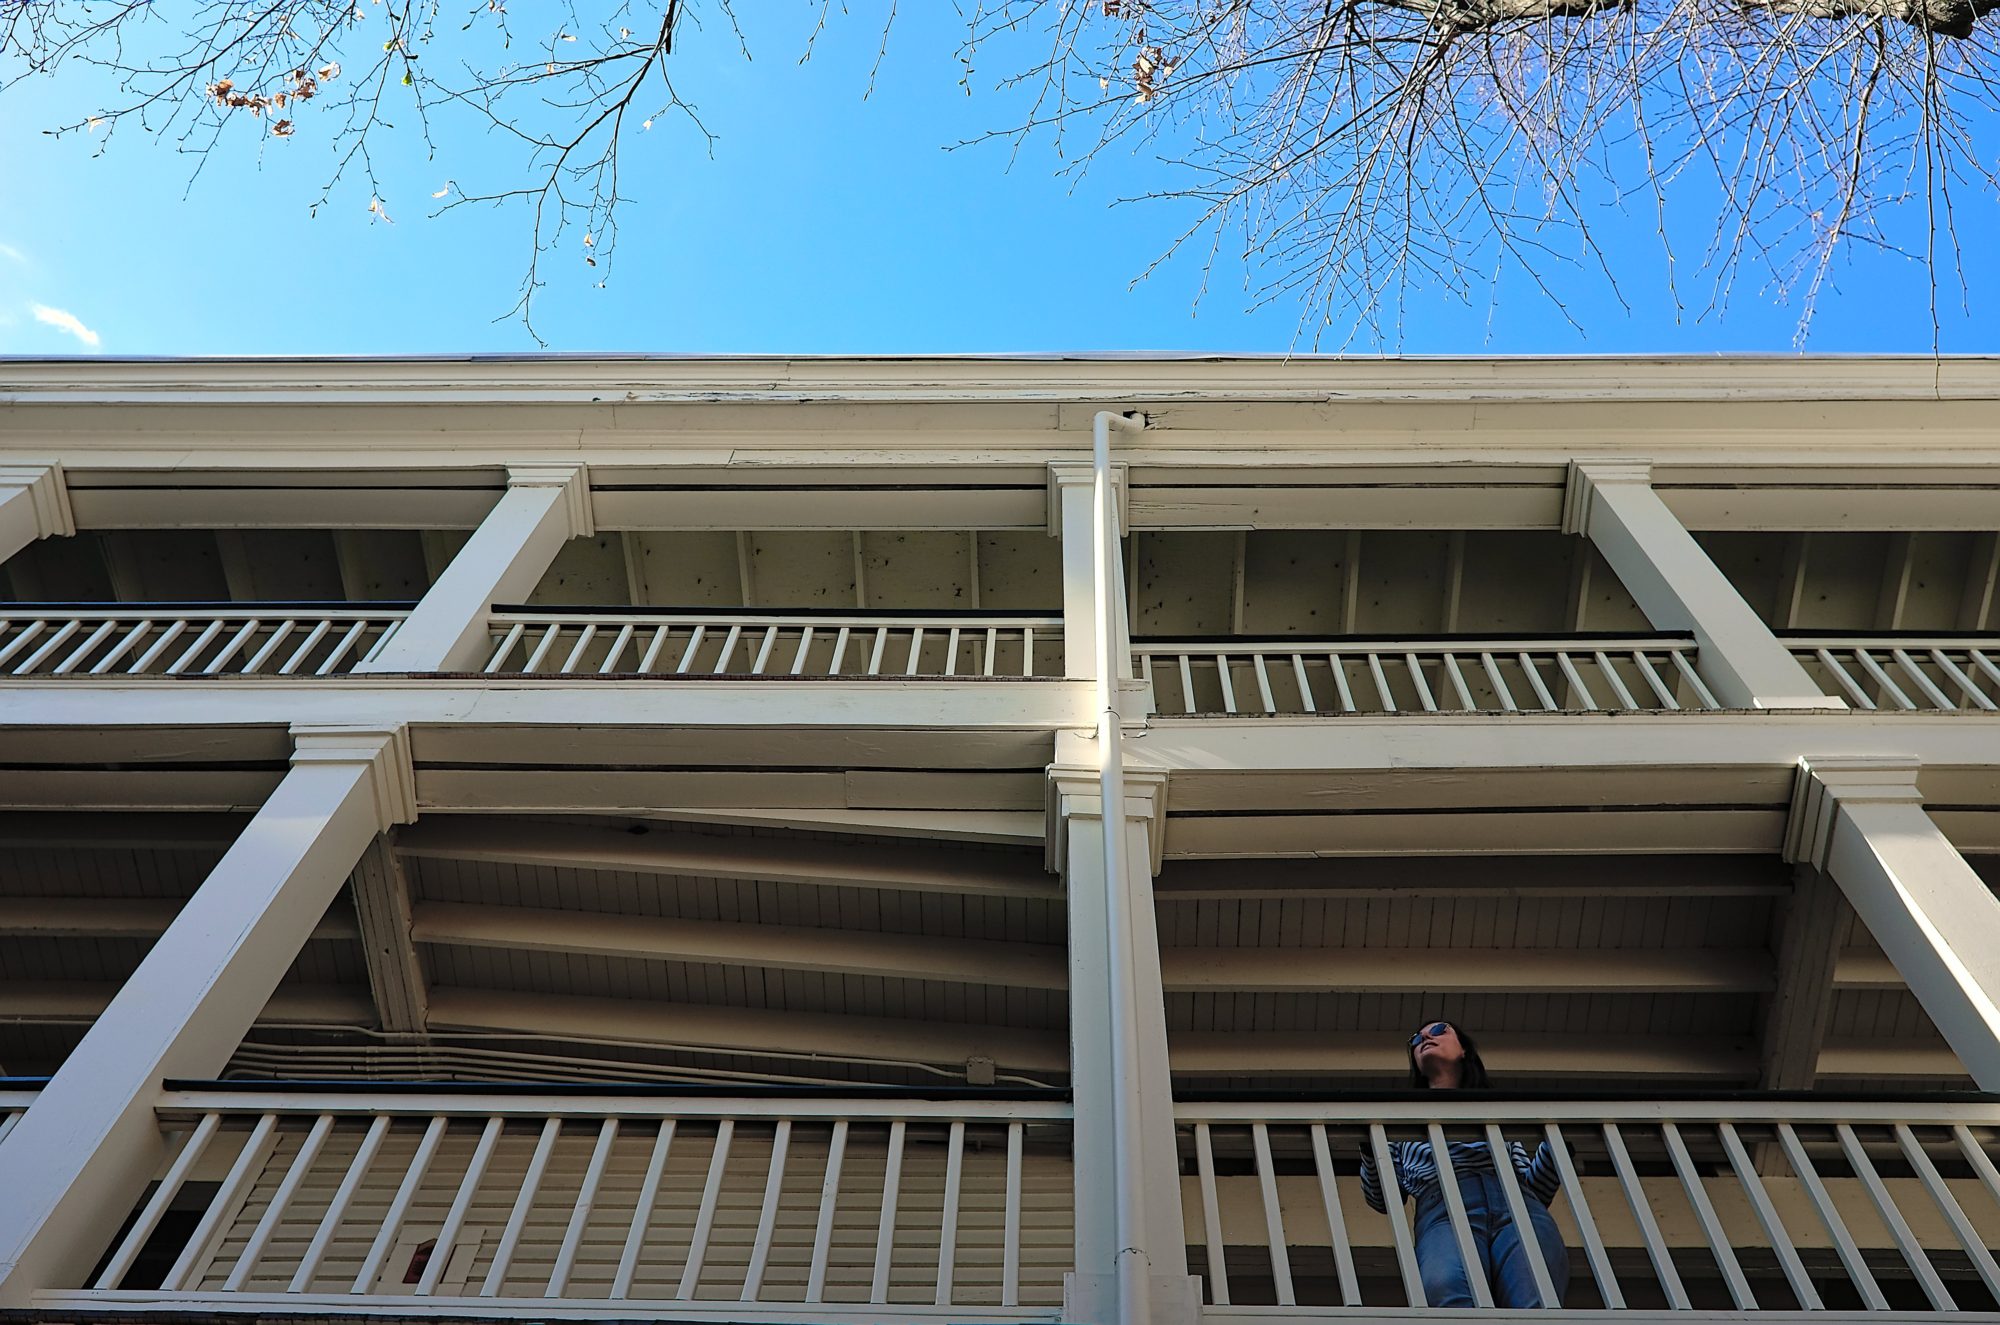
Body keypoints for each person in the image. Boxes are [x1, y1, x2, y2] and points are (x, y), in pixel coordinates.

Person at [1357, 1020, 1571, 1308]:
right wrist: (1369, 1152)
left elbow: (1535, 1188)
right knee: (1447, 1291)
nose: (1424, 1039)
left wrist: (1555, 1150)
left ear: (1464, 1051)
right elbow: (1382, 1198)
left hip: (1517, 1203)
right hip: (1442, 1206)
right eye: (1416, 1039)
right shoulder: (1400, 1119)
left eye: (1437, 1031)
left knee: (1534, 1301)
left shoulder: (1495, 1112)